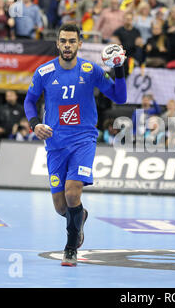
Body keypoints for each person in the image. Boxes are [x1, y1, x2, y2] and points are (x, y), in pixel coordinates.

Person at [23, 23, 127, 266]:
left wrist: (119, 69)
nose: (67, 45)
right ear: (58, 44)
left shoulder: (90, 70)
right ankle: (80, 217)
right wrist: (35, 123)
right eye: (63, 41)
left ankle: (70, 248)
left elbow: (120, 97)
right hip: (55, 143)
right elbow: (29, 101)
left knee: (72, 192)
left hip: (83, 140)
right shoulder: (44, 71)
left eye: (72, 41)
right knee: (61, 207)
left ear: (79, 44)